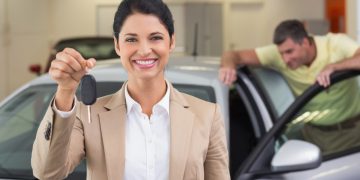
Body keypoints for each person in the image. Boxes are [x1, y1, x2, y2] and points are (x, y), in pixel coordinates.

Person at [31, 0, 230, 179]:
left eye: (155, 37)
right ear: (117, 45)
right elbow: (48, 172)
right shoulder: (88, 114)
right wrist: (65, 90)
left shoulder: (207, 115)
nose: (144, 50)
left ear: (172, 41)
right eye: (131, 39)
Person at [219, 19, 360, 155]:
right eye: (281, 53)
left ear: (305, 42)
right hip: (313, 134)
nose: (285, 59)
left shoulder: (335, 44)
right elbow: (232, 54)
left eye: (289, 52)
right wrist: (228, 66)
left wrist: (335, 66)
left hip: (350, 132)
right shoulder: (280, 56)